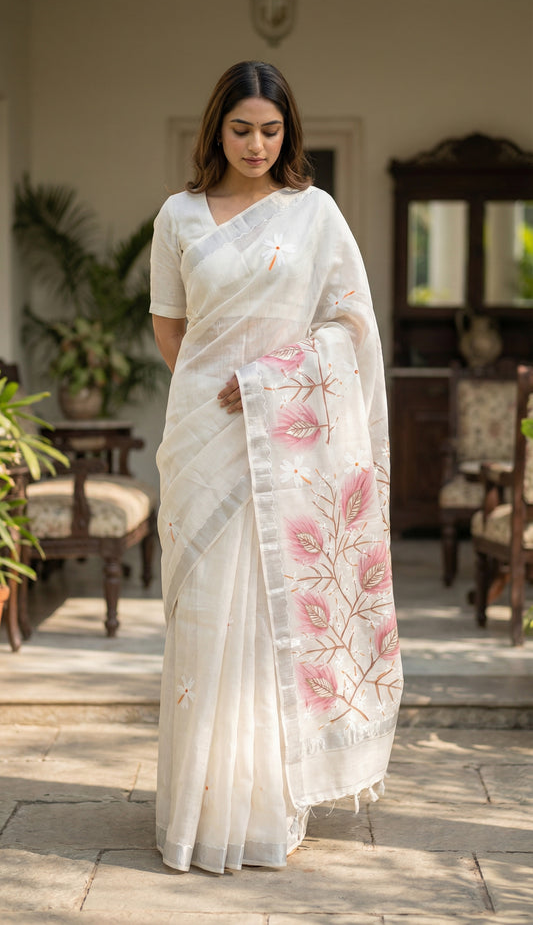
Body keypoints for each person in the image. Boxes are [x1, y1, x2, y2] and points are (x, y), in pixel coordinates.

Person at [150, 60, 402, 875]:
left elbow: (351, 327)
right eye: (241, 128)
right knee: (203, 617)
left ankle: (262, 807)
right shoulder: (179, 216)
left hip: (284, 442)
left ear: (287, 132)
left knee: (269, 613)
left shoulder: (315, 214)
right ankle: (197, 808)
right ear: (215, 128)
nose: (256, 144)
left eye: (271, 129)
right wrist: (214, 394)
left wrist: (266, 387)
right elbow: (170, 329)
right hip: (202, 438)